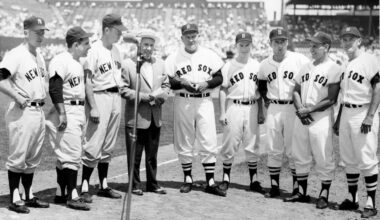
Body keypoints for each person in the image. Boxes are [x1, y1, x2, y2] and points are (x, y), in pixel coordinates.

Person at [165, 23, 225, 196]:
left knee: (209, 138)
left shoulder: (209, 55)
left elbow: (219, 77)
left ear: (198, 36)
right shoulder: (174, 57)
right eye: (188, 36)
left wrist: (206, 83)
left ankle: (211, 181)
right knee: (184, 139)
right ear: (182, 37)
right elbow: (168, 81)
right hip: (183, 100)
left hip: (204, 100)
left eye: (194, 35)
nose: (191, 39)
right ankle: (188, 179)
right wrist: (183, 82)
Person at [284, 32, 341, 210]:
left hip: (321, 117)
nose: (312, 48)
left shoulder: (334, 68)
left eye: (316, 45)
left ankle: (323, 194)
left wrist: (309, 109)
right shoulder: (306, 66)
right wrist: (301, 109)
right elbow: (295, 90)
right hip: (302, 114)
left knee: (323, 156)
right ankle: (301, 192)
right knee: (299, 154)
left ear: (327, 47)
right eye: (311, 45)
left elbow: (331, 98)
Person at [0, 16, 49, 213]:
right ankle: (14, 197)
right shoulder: (16, 54)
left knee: (32, 157)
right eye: (37, 31)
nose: (41, 35)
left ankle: (28, 194)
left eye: (43, 31)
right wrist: (17, 96)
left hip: (38, 110)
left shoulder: (39, 55)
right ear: (25, 32)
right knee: (19, 156)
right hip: (22, 110)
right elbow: (1, 79)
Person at [334, 26, 380, 218]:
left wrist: (370, 116)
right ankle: (352, 199)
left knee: (366, 158)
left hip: (363, 111)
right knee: (349, 159)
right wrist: (338, 120)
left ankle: (370, 202)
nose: (347, 42)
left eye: (351, 39)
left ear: (359, 41)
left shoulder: (369, 60)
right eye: (344, 39)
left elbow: (377, 88)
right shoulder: (347, 63)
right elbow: (344, 96)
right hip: (346, 113)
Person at [258, 28, 309, 198]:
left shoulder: (299, 59)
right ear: (270, 43)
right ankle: (274, 186)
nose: (280, 45)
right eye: (276, 41)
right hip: (274, 108)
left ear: (287, 42)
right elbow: (262, 85)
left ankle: (296, 188)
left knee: (293, 149)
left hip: (292, 108)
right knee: (273, 148)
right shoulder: (265, 64)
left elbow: (309, 79)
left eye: (283, 41)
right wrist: (266, 101)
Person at [80, 13, 126, 202]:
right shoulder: (94, 50)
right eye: (117, 31)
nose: (120, 35)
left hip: (116, 97)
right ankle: (84, 186)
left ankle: (103, 184)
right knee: (94, 142)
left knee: (109, 144)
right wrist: (93, 107)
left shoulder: (117, 50)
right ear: (106, 29)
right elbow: (87, 81)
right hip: (100, 97)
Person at [46, 26, 92, 211]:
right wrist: (62, 113)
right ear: (75, 44)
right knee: (72, 154)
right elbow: (55, 88)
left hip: (77, 110)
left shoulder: (77, 62)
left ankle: (60, 192)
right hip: (67, 109)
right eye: (86, 43)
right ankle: (73, 195)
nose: (89, 47)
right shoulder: (60, 60)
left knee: (65, 155)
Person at [121, 30, 170, 196]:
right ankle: (134, 184)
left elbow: (166, 86)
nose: (148, 48)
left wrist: (161, 97)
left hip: (155, 116)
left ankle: (152, 183)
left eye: (151, 45)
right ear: (139, 46)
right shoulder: (129, 64)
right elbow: (123, 89)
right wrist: (143, 97)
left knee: (152, 155)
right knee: (135, 155)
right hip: (136, 117)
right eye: (145, 45)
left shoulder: (160, 64)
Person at [218, 32, 265, 195]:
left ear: (252, 46)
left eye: (247, 44)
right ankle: (225, 179)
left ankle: (254, 180)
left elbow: (260, 90)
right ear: (236, 46)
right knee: (230, 142)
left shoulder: (257, 66)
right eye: (241, 45)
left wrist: (260, 110)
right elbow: (223, 89)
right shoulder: (228, 66)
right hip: (234, 106)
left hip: (252, 107)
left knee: (252, 143)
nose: (244, 48)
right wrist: (222, 112)